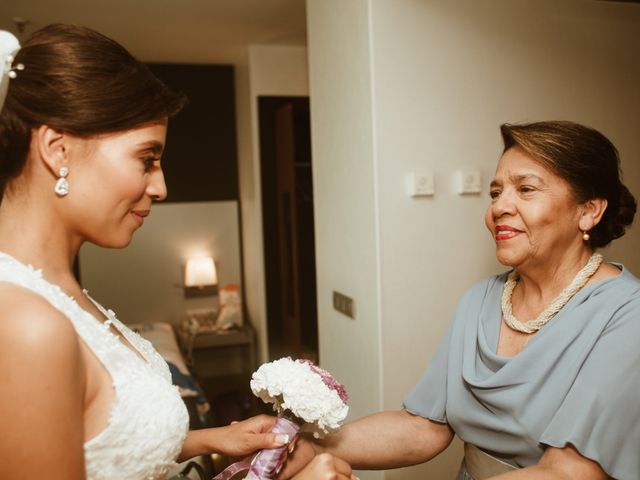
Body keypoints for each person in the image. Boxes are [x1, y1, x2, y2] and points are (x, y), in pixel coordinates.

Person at [0, 24, 353, 480]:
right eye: (146, 159)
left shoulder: (57, 293)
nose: (161, 186)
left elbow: (91, 440)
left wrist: (206, 440)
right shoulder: (26, 327)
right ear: (57, 149)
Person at [280, 121, 639, 480]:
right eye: (496, 193)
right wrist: (313, 446)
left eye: (525, 189)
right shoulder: (481, 299)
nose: (499, 207)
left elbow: (570, 473)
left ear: (589, 210)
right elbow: (424, 425)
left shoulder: (626, 314)